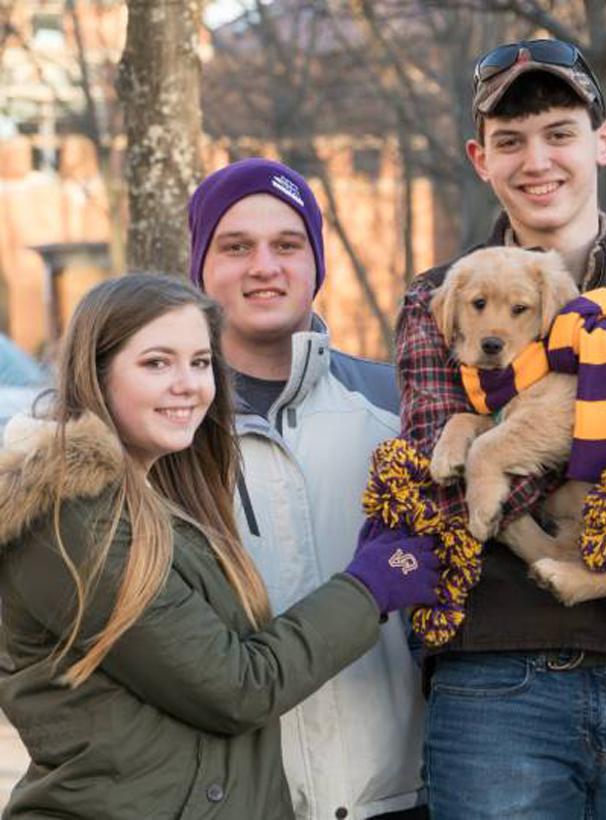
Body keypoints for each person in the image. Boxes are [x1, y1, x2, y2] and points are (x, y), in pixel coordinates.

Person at [396, 38, 606, 818]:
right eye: (510, 142)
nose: (536, 160)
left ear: (603, 143)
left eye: (559, 133)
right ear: (481, 159)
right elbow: (439, 479)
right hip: (499, 680)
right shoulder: (443, 297)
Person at [0, 275, 440, 819]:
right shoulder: (74, 521)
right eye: (156, 363)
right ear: (97, 373)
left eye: (201, 362)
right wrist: (368, 587)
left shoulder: (161, 500)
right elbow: (237, 687)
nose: (187, 384)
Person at [187, 158, 428, 820]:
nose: (264, 265)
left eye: (287, 246)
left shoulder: (398, 407)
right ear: (201, 269)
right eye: (236, 247)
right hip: (240, 800)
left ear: (317, 265)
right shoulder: (167, 427)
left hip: (398, 797)